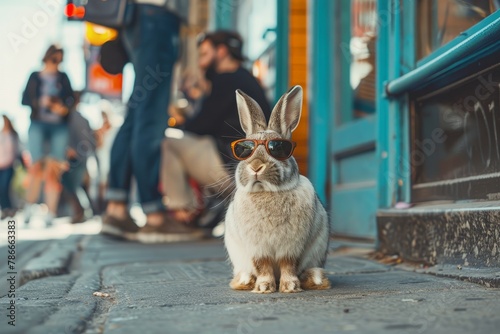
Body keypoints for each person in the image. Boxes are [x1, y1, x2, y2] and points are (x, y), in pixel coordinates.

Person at [156, 30, 272, 234]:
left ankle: (183, 212)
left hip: (237, 171)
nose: (201, 62)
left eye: (204, 54)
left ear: (222, 51)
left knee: (168, 142)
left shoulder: (226, 80)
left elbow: (199, 126)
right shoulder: (245, 79)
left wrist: (182, 119)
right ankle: (210, 210)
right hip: (254, 171)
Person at [101, 0, 192, 240]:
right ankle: (154, 216)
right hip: (156, 14)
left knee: (137, 112)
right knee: (149, 115)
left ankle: (117, 209)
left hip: (142, 16)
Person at [21, 44, 74, 225]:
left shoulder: (63, 77)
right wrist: (40, 102)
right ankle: (28, 208)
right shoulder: (35, 76)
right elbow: (24, 99)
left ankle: (50, 213)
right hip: (38, 124)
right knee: (36, 166)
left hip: (58, 126)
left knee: (53, 169)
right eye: (54, 59)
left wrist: (62, 107)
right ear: (47, 57)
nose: (57, 63)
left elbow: (71, 100)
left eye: (60, 60)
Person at [61, 91, 96, 224]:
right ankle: (83, 212)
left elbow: (87, 140)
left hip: (76, 157)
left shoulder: (74, 117)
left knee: (71, 184)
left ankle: (81, 212)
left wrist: (75, 150)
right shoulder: (79, 118)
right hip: (80, 156)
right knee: (77, 185)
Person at [0, 115, 21, 220]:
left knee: (5, 188)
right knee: (1, 189)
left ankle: (9, 209)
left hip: (9, 166)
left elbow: (17, 151)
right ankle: (4, 210)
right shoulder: (1, 135)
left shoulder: (13, 135)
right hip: (0, 166)